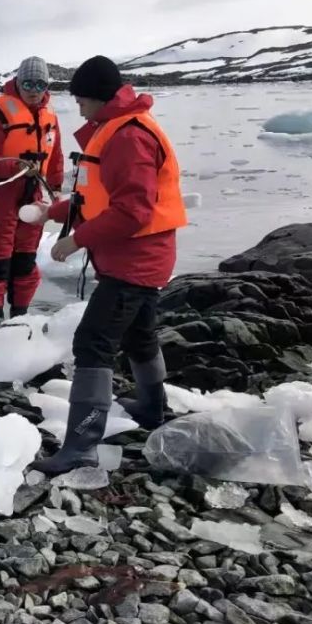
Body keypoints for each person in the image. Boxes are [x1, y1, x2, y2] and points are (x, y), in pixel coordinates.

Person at [26, 55, 187, 475]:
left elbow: (133, 211)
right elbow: (92, 196)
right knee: (139, 334)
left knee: (93, 343)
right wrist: (54, 213)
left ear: (99, 97)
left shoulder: (128, 138)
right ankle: (153, 408)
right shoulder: (114, 129)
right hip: (140, 258)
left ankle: (81, 445)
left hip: (135, 261)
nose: (77, 107)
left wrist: (77, 240)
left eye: (81, 99)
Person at [0, 56, 64, 330]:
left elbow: (55, 158)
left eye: (40, 83)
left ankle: (20, 314)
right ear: (18, 82)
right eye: (28, 83)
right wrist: (17, 166)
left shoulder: (50, 118)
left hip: (33, 195)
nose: (34, 89)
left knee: (25, 259)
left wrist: (56, 189)